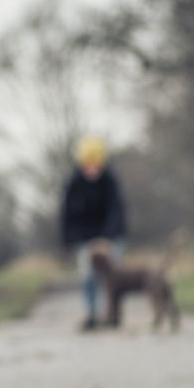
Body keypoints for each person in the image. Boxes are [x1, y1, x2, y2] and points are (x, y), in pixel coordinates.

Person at [61, 136, 127, 330]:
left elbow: (117, 211)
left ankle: (112, 314)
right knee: (88, 276)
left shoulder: (110, 181)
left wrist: (108, 237)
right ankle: (91, 314)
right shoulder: (73, 183)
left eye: (95, 164)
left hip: (110, 237)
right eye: (88, 164)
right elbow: (68, 215)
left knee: (112, 277)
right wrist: (72, 239)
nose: (92, 169)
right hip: (85, 239)